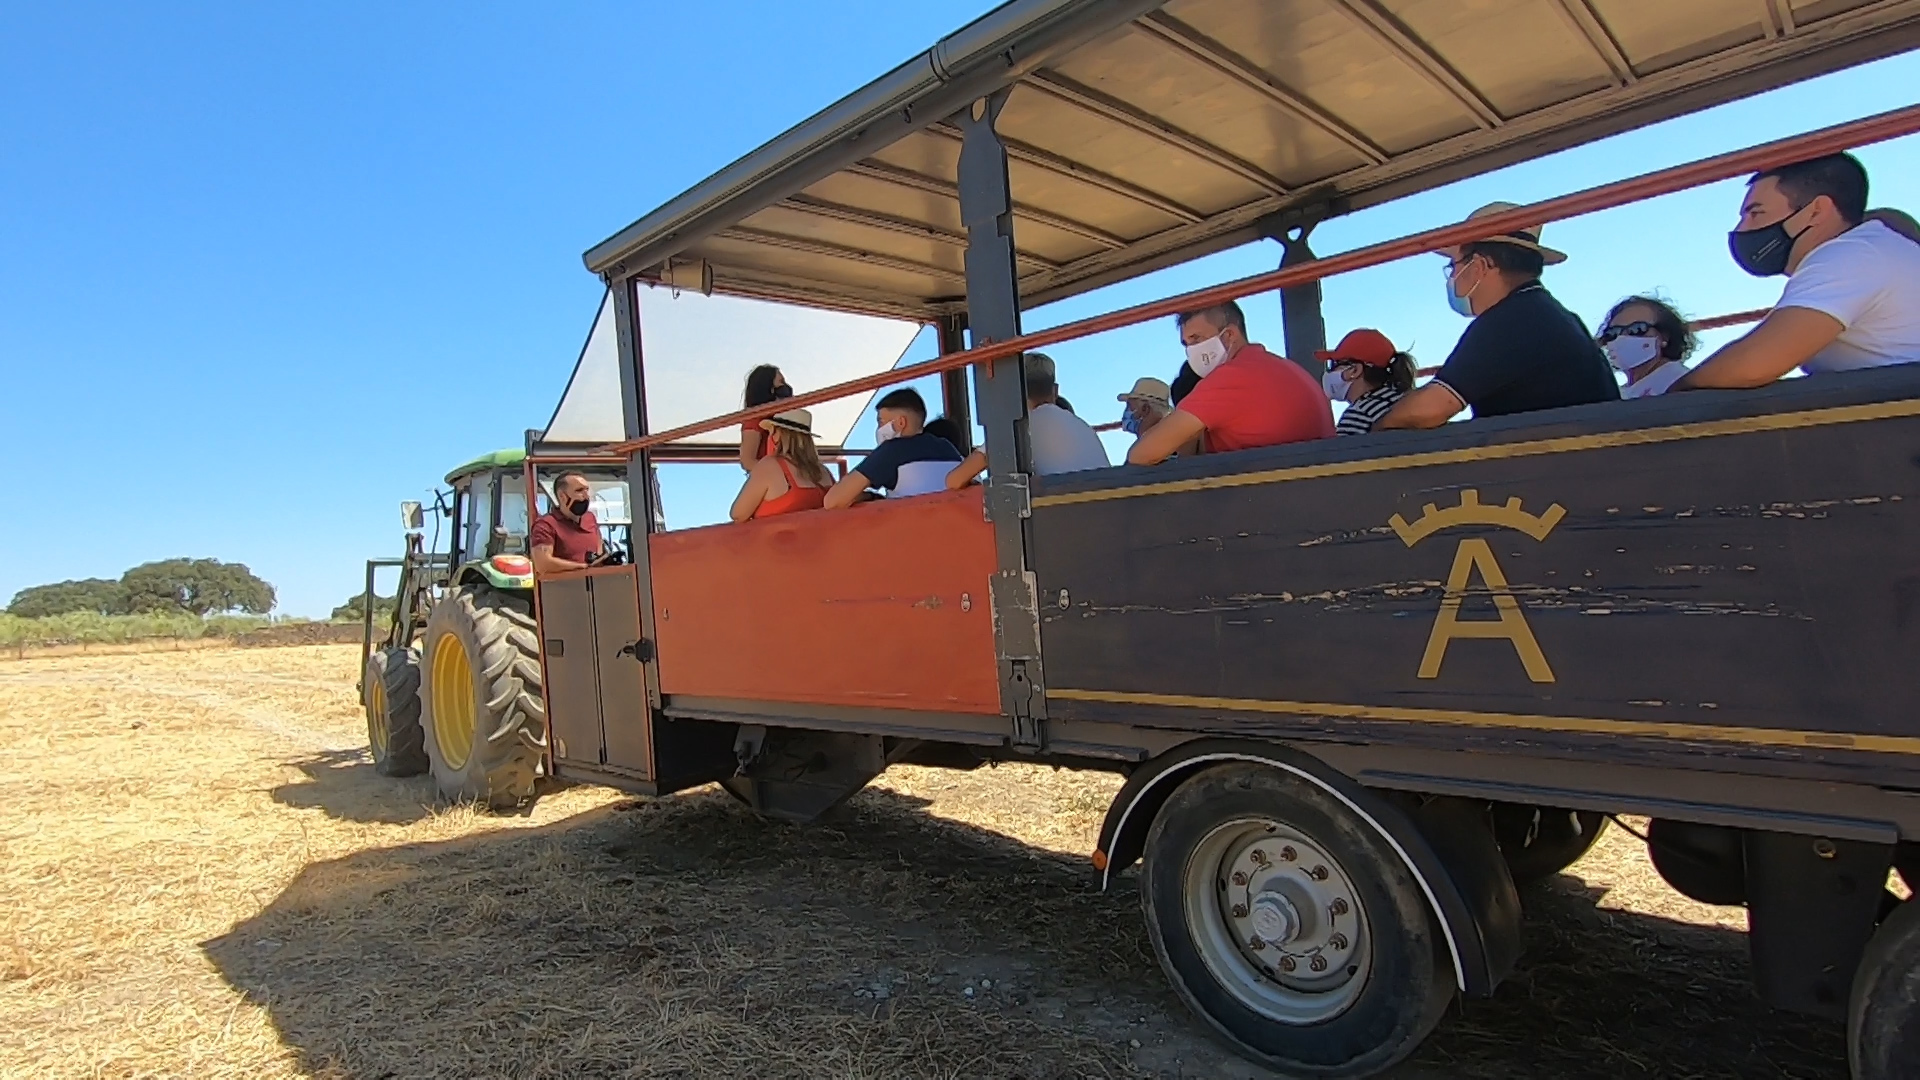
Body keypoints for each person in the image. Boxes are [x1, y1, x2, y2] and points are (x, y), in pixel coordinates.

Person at [1678, 155, 1920, 388]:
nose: (1742, 229)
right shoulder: (1869, 246)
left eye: (1756, 213)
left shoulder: (1851, 254)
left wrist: (1671, 395)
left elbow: (1754, 363)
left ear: (1816, 211)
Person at [1377, 202, 1618, 429]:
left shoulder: (1512, 319)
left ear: (1479, 266)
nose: (1452, 278)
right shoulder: (1547, 313)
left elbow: (1429, 408)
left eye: (1455, 266)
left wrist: (1376, 429)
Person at [1126, 301, 1332, 465]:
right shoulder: (1284, 367)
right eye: (1186, 344)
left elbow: (1141, 455)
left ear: (1230, 334)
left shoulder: (1232, 377)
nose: (1191, 352)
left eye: (1197, 339)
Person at [947, 354, 1109, 488]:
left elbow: (954, 480)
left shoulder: (1020, 428)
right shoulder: (1083, 426)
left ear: (1014, 390)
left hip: (1066, 519)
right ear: (1055, 391)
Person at [824, 388, 962, 508]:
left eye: (881, 422)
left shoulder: (892, 451)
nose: (878, 429)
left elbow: (833, 501)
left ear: (900, 422)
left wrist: (870, 497)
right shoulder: (948, 448)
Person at [729, 408, 832, 521]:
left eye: (773, 430)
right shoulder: (825, 472)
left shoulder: (769, 466)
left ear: (779, 434)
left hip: (777, 537)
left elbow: (738, 514)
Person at [1319, 328, 1416, 436]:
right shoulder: (1406, 400)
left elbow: (1338, 453)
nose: (1329, 372)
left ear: (1355, 370)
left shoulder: (1358, 414)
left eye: (1334, 365)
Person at [1597, 296, 1695, 399]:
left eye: (1637, 329)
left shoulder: (1680, 381)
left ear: (1664, 337)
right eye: (1613, 333)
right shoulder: (1619, 394)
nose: (1622, 338)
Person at [531, 472, 603, 574]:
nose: (586, 496)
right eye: (579, 491)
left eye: (587, 490)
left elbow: (599, 551)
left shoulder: (590, 519)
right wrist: (583, 567)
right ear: (562, 496)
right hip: (564, 587)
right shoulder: (545, 525)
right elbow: (542, 564)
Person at [738, 364, 794, 471]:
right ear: (769, 389)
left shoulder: (789, 419)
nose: (786, 387)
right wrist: (778, 476)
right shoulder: (755, 418)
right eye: (781, 382)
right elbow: (748, 460)